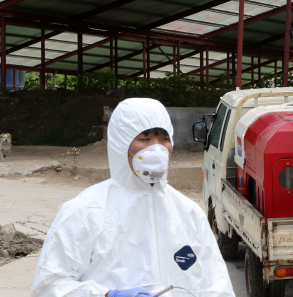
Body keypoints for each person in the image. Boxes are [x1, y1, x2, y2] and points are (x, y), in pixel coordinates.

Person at [30, 98, 235, 297]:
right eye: (144, 139)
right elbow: (49, 286)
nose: (157, 148)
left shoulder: (188, 213)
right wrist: (108, 295)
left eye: (164, 139)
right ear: (121, 144)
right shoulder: (85, 211)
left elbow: (216, 285)